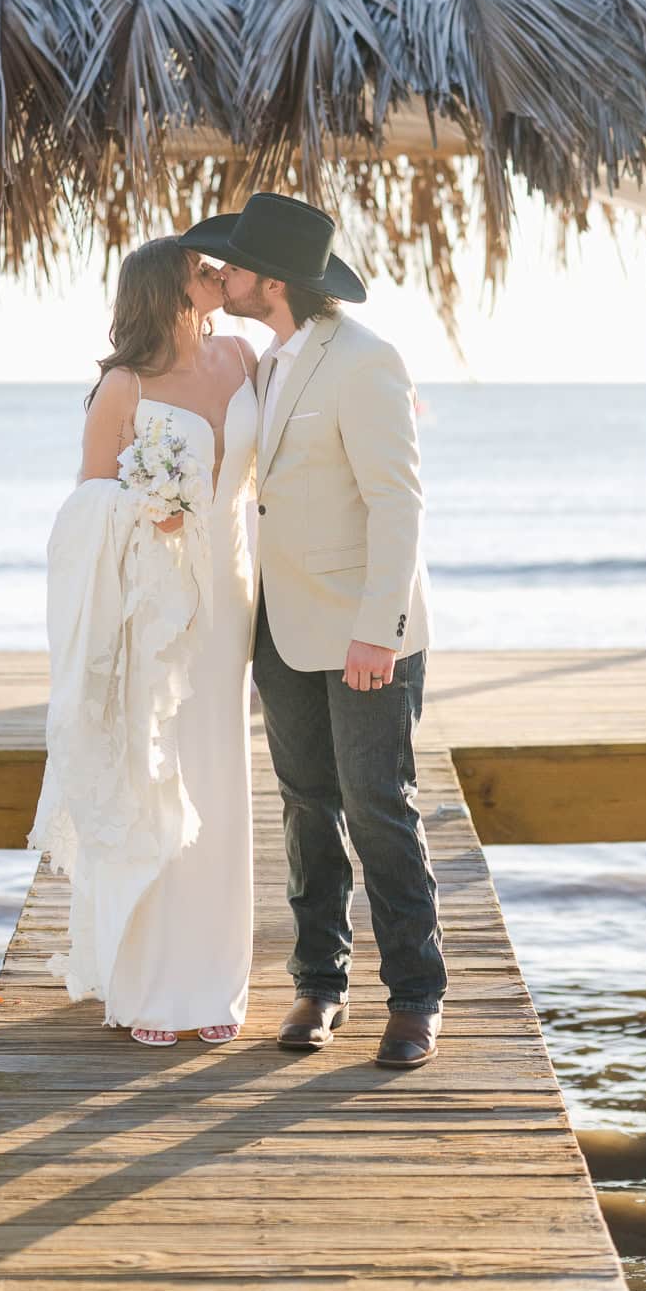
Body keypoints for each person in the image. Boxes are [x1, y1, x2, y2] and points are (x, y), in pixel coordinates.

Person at [179, 191, 447, 1069]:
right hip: (281, 627)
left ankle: (414, 997)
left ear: (274, 280)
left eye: (236, 266)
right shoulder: (268, 360)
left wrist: (379, 628)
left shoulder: (367, 360)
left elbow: (397, 503)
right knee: (305, 808)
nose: (225, 276)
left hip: (365, 632)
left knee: (379, 811)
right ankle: (319, 983)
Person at [27, 237, 259, 1047]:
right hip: (156, 609)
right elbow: (86, 508)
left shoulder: (240, 355)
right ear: (169, 289)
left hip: (229, 597)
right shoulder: (121, 386)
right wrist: (146, 509)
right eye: (202, 270)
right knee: (158, 773)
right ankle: (153, 987)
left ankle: (216, 978)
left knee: (222, 781)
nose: (217, 275)